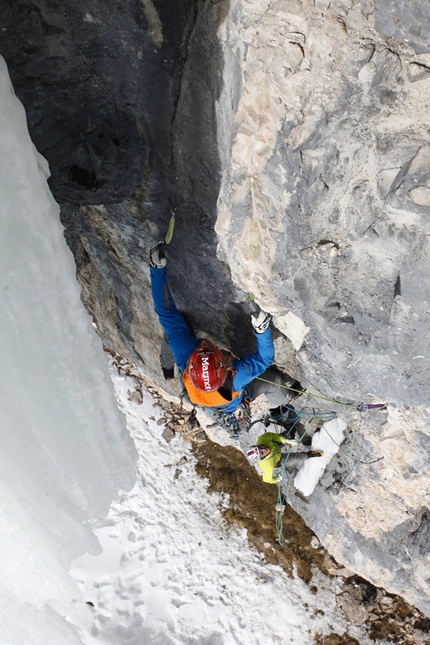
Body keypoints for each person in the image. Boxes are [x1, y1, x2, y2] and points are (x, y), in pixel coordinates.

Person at [149, 242, 296, 421]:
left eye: (204, 349)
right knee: (273, 379)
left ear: (191, 364)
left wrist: (157, 270)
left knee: (172, 332)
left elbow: (166, 312)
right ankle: (284, 400)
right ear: (225, 368)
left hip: (206, 400)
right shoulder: (236, 378)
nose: (209, 346)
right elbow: (264, 359)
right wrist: (261, 330)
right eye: (216, 353)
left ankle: (166, 367)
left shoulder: (185, 352)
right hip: (225, 402)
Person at [246, 431, 323, 484]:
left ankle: (292, 431)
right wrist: (276, 479)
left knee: (288, 435)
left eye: (260, 447)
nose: (264, 449)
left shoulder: (262, 439)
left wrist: (286, 441)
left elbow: (272, 436)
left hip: (275, 446)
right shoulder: (268, 466)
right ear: (261, 458)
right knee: (296, 458)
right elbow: (266, 479)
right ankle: (309, 455)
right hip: (279, 460)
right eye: (262, 452)